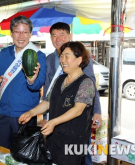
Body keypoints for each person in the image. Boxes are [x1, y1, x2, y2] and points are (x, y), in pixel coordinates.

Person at [19, 41, 95, 165]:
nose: (62, 60)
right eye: (61, 56)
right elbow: (48, 102)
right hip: (54, 138)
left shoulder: (86, 83)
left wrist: (53, 122)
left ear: (79, 60)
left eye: (67, 56)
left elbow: (78, 110)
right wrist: (31, 112)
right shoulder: (60, 80)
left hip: (73, 141)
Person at [42, 22, 102, 165]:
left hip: (76, 125)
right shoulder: (49, 59)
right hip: (56, 120)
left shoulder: (80, 57)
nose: (58, 39)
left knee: (79, 156)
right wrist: (45, 116)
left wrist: (97, 111)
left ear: (70, 35)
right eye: (54, 36)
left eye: (62, 35)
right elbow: (48, 91)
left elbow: (90, 85)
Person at [0, 15, 46, 149]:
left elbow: (38, 84)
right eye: (17, 31)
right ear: (11, 33)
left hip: (25, 115)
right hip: (3, 113)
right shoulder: (4, 53)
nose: (21, 36)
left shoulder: (39, 56)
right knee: (3, 152)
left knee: (23, 155)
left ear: (31, 34)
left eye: (25, 32)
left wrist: (32, 80)